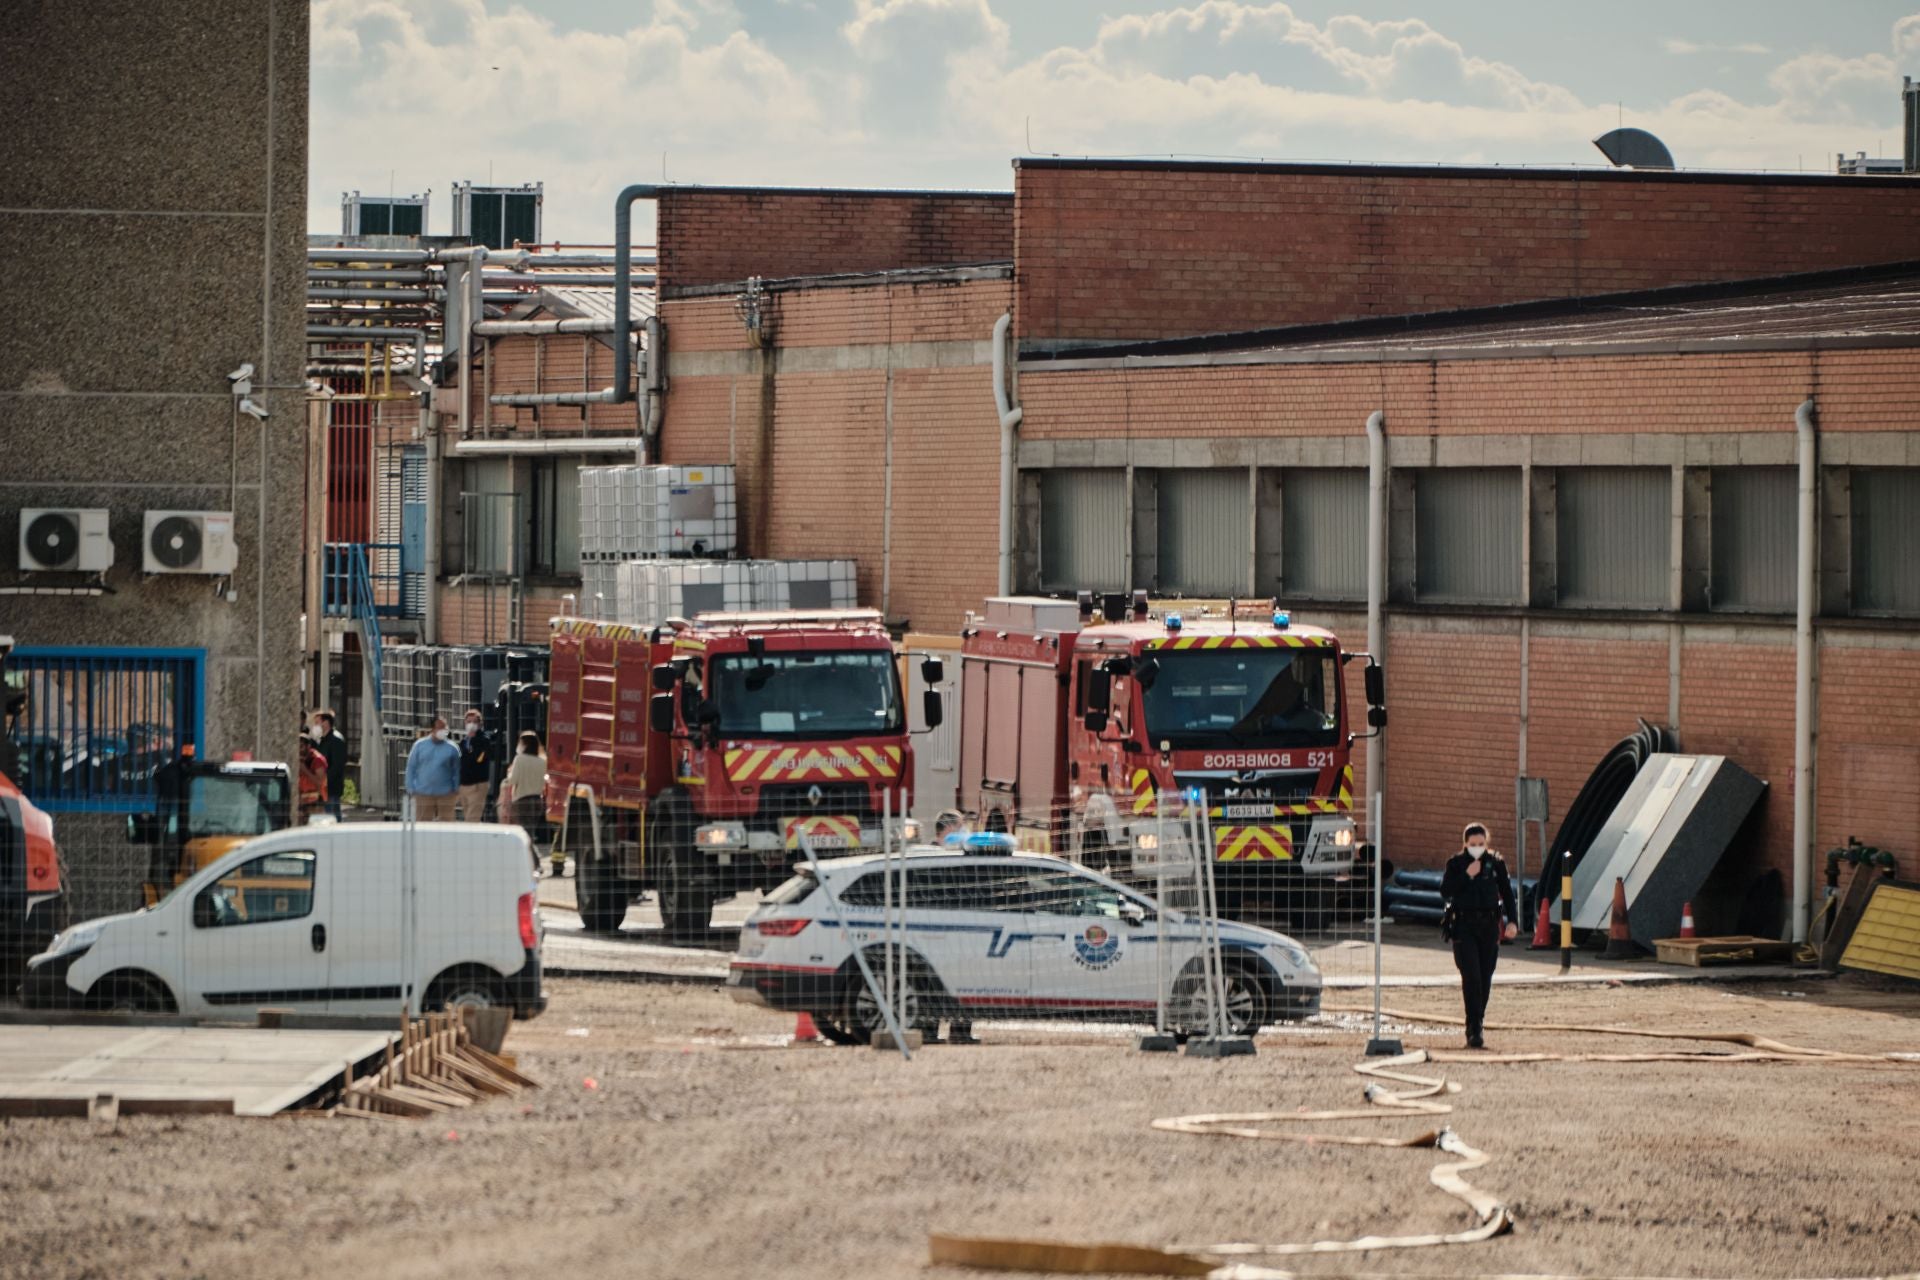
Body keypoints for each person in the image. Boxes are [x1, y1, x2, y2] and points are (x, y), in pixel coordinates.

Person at [1440, 821, 1519, 1050]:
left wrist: (1512, 921)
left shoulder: (1495, 864)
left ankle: (1478, 1019)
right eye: (1472, 844)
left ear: (1487, 843)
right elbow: (1446, 891)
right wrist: (1466, 875)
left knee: (1485, 977)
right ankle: (1474, 1028)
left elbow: (1507, 892)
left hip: (1488, 926)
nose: (1477, 847)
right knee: (1471, 976)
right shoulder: (1456, 864)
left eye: (1481, 844)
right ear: (1465, 843)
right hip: (1464, 925)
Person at [404, 717, 461, 821]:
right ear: (432, 729)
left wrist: (456, 790)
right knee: (423, 827)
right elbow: (411, 767)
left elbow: (457, 771)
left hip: (446, 794)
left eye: (445, 728)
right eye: (440, 728)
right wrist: (411, 788)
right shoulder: (419, 746)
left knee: (447, 827)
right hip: (423, 794)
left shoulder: (452, 748)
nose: (443, 731)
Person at [456, 709, 496, 822]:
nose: (471, 724)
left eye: (474, 721)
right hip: (464, 785)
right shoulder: (463, 742)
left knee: (472, 818)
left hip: (477, 785)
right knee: (467, 815)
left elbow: (478, 759)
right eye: (469, 721)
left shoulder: (483, 740)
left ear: (480, 724)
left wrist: (474, 740)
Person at [502, 730, 547, 833]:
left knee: (522, 831)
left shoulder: (520, 759)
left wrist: (506, 778)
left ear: (525, 745)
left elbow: (513, 779)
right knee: (530, 831)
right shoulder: (542, 761)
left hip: (522, 801)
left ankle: (526, 848)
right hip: (537, 800)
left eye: (520, 743)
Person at [312, 710, 346, 818]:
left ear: (326, 723)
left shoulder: (336, 740)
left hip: (331, 788)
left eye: (317, 723)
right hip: (323, 788)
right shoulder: (321, 740)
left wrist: (324, 781)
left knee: (331, 818)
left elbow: (336, 766)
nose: (315, 726)